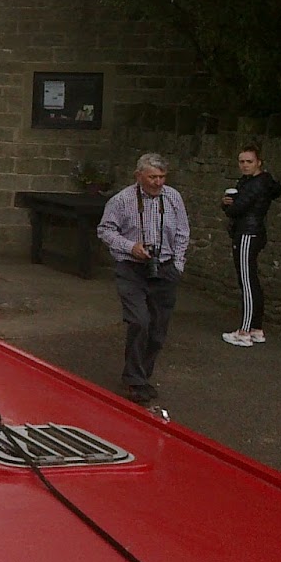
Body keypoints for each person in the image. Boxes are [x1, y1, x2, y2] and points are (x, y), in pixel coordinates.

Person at [97, 152, 191, 404]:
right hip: (132, 269)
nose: (158, 183)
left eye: (162, 177)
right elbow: (104, 230)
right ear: (139, 176)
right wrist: (130, 247)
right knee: (139, 321)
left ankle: (141, 376)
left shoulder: (172, 198)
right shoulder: (122, 200)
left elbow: (183, 231)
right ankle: (135, 380)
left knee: (158, 330)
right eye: (152, 177)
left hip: (165, 268)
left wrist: (178, 265)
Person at [221, 144, 281, 347]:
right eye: (242, 162)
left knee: (247, 281)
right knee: (251, 280)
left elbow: (237, 208)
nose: (245, 165)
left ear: (258, 163)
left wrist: (227, 204)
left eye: (249, 162)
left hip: (248, 232)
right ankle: (256, 328)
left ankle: (245, 331)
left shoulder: (256, 184)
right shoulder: (253, 182)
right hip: (251, 231)